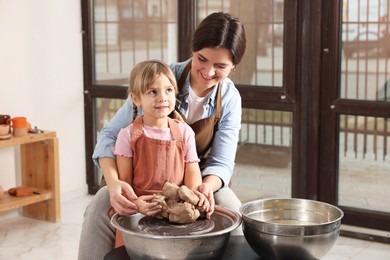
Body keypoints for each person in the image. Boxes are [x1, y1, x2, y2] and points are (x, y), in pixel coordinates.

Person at [78, 11, 246, 260]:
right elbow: (109, 138)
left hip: (195, 180)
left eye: (220, 66)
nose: (208, 72)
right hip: (139, 176)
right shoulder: (161, 80)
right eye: (202, 59)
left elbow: (222, 162)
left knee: (232, 209)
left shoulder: (230, 98)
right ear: (192, 51)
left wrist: (203, 190)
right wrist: (115, 185)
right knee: (100, 205)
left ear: (233, 67)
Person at [112, 60, 212, 217]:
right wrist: (137, 204)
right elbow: (124, 181)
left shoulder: (185, 132)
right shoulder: (127, 136)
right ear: (136, 99)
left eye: (168, 90)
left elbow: (192, 172)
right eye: (153, 92)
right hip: (140, 210)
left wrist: (195, 195)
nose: (163, 98)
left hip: (176, 210)